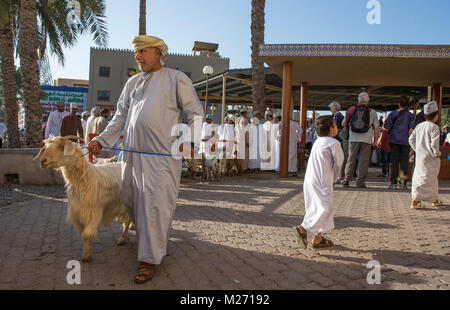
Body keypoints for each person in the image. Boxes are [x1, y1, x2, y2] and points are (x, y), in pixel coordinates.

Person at [87, 35, 204, 284]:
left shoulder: (176, 79)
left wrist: (190, 140)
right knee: (132, 201)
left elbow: (195, 112)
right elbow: (120, 117)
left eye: (143, 51)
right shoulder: (132, 83)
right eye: (136, 52)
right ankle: (153, 243)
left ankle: (148, 259)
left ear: (158, 52)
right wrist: (102, 141)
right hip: (131, 155)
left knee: (153, 206)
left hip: (161, 158)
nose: (138, 57)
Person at [293, 116, 344, 248]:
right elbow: (339, 164)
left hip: (310, 179)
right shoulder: (334, 143)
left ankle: (318, 238)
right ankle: (303, 228)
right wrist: (335, 179)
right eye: (335, 125)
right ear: (331, 129)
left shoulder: (318, 141)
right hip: (323, 180)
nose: (337, 127)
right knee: (325, 208)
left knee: (315, 207)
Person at [342, 92, 379, 188]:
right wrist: (375, 141)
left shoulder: (351, 109)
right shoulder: (372, 112)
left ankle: (346, 180)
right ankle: (360, 182)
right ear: (368, 101)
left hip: (353, 138)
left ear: (358, 99)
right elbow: (376, 128)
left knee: (351, 159)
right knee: (363, 161)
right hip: (366, 140)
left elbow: (343, 124)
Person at [409, 101, 442, 209]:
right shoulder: (434, 127)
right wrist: (437, 154)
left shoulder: (419, 126)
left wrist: (417, 149)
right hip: (432, 157)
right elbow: (434, 144)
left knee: (419, 178)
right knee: (431, 179)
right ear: (436, 116)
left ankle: (430, 199)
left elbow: (411, 139)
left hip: (420, 157)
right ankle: (418, 201)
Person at [382, 96, 415, 189]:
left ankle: (393, 183)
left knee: (395, 161)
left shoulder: (393, 113)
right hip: (405, 141)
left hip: (394, 140)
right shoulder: (410, 115)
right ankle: (403, 183)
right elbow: (412, 129)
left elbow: (386, 126)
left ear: (398, 104)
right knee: (404, 162)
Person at [328, 101, 346, 180]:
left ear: (335, 108)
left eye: (331, 108)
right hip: (339, 139)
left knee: (336, 158)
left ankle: (338, 176)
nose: (330, 109)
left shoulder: (337, 116)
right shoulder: (340, 116)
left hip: (336, 139)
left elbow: (336, 129)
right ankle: (339, 175)